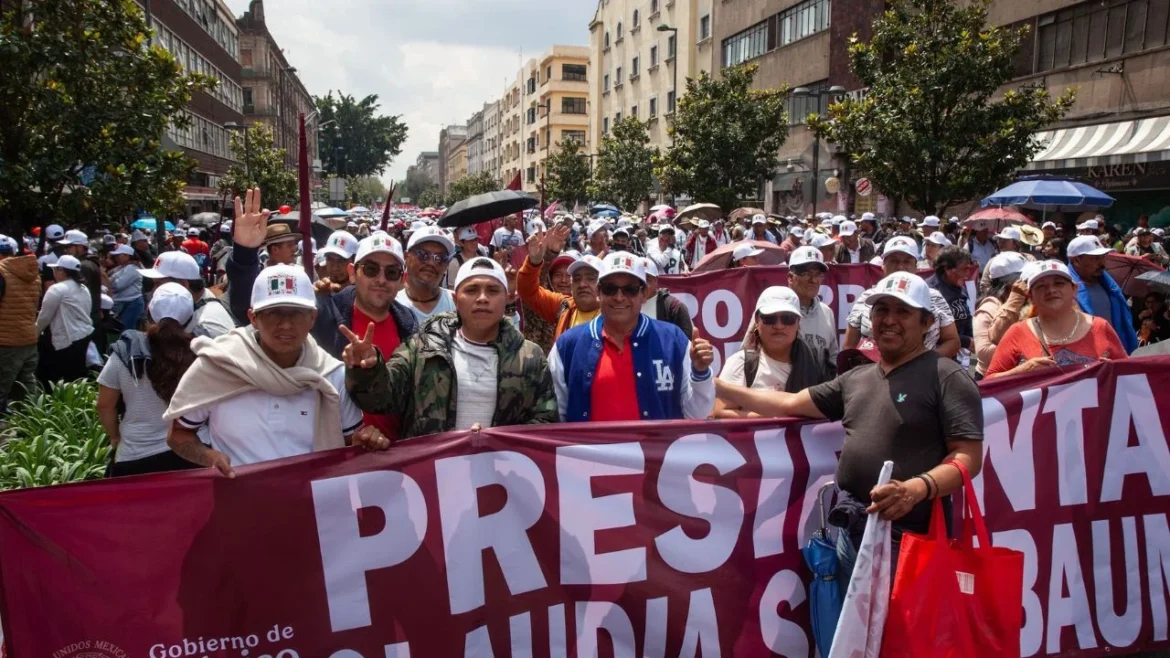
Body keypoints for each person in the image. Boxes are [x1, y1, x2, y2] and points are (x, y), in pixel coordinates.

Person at [715, 271, 984, 564]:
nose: (889, 320)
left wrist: (916, 489)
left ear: (927, 322)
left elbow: (968, 457)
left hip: (911, 543)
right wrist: (715, 385)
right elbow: (788, 402)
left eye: (902, 311)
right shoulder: (856, 379)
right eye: (881, 310)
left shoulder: (947, 377)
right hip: (850, 534)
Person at [164, 264, 389, 476]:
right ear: (253, 317)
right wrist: (210, 457)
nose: (285, 324)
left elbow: (351, 440)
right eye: (273, 313)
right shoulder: (218, 365)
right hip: (238, 505)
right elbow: (178, 434)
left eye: (296, 313)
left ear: (313, 318)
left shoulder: (331, 376)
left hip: (311, 507)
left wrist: (365, 443)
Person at [343, 256, 557, 438]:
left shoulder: (530, 356)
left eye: (492, 290)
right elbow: (380, 401)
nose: (482, 299)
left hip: (501, 477)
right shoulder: (422, 348)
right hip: (432, 478)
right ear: (455, 299)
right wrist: (368, 370)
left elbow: (546, 421)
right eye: (472, 290)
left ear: (508, 297)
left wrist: (497, 440)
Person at [547, 252, 716, 421]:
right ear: (599, 292)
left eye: (630, 290)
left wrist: (700, 373)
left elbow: (697, 414)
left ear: (644, 294)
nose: (619, 297)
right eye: (610, 289)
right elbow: (555, 420)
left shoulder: (673, 341)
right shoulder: (567, 346)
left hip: (656, 448)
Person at [97, 283, 201, 477]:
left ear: (148, 312)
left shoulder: (124, 353)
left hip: (136, 456)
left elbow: (104, 405)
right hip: (192, 454)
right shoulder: (201, 354)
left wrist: (115, 437)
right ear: (192, 318)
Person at [986, 260, 1127, 377]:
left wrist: (1113, 370)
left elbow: (1131, 375)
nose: (1051, 290)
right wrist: (1021, 371)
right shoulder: (1018, 332)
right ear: (1031, 297)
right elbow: (989, 382)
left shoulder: (1100, 327)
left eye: (1059, 283)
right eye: (1041, 286)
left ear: (1074, 289)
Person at [714, 286, 831, 418]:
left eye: (788, 319)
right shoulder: (741, 363)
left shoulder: (816, 362)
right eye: (770, 318)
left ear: (798, 323)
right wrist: (773, 419)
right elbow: (720, 413)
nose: (779, 326)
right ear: (757, 321)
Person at [844, 236, 960, 357]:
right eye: (893, 261)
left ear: (916, 266)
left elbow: (952, 341)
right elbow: (849, 346)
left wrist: (923, 365)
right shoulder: (867, 297)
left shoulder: (934, 297)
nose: (900, 267)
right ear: (883, 266)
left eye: (907, 261)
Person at [517, 225, 603, 342]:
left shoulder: (616, 313)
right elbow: (528, 291)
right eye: (577, 278)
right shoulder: (564, 307)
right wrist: (535, 262)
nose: (582, 284)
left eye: (591, 278)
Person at [1065, 235, 1138, 354]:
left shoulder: (1109, 286)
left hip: (1115, 353)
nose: (1102, 263)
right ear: (1076, 260)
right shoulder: (1064, 290)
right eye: (1095, 258)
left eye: (1103, 257)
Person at [141, 251, 235, 338]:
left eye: (158, 284)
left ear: (183, 284)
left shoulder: (205, 327)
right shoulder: (198, 304)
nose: (154, 290)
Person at [36, 255, 94, 387]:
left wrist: (35, 333)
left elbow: (44, 317)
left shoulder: (57, 288)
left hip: (67, 338)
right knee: (75, 376)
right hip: (83, 335)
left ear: (62, 271)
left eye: (55, 269)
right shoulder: (83, 288)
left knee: (53, 376)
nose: (54, 273)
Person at [973, 252, 1029, 380]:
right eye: (1024, 279)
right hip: (992, 379)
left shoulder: (1028, 303)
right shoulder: (989, 308)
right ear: (1009, 283)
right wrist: (1023, 345)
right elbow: (984, 352)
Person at [0, 238, 40, 413]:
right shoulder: (32, 273)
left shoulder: (1, 273)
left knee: (2, 383)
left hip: (6, 339)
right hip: (28, 336)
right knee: (26, 382)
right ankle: (35, 419)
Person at [787, 246, 839, 376]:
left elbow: (833, 357)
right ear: (790, 277)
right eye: (806, 274)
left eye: (818, 275)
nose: (813, 280)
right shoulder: (774, 310)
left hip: (818, 392)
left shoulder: (826, 312)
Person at [397, 226, 457, 324]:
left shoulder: (457, 304)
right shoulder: (392, 306)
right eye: (423, 255)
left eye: (440, 258)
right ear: (406, 257)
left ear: (446, 265)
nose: (431, 263)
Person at [926, 246, 976, 363]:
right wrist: (965, 341)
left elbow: (966, 314)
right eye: (964, 269)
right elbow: (933, 332)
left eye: (969, 269)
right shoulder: (931, 292)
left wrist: (972, 336)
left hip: (957, 355)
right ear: (948, 269)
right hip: (934, 358)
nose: (968, 274)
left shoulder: (958, 286)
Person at [641, 258, 693, 337]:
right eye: (639, 280)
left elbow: (685, 343)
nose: (643, 285)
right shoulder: (623, 305)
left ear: (656, 280)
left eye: (647, 279)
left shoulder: (674, 307)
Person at [106, 244, 144, 331]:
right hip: (123, 302)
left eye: (119, 255)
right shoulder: (121, 267)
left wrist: (109, 281)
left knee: (127, 330)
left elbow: (118, 286)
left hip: (132, 303)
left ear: (127, 256)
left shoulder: (132, 268)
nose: (116, 258)